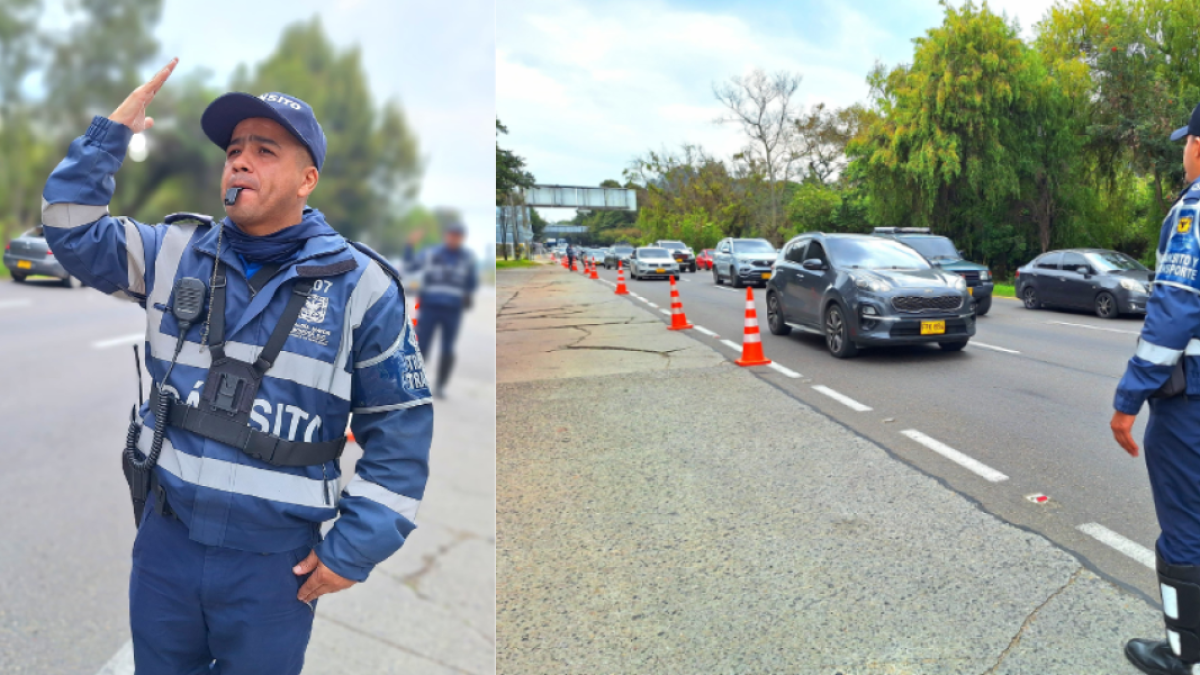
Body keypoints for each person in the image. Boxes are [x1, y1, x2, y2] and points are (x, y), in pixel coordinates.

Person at [41, 59, 433, 674]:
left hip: (275, 569)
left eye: (264, 150)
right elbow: (69, 227)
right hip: (166, 549)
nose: (240, 161)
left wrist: (352, 550)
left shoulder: (363, 288)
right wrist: (109, 136)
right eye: (234, 149)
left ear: (308, 180)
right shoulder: (172, 252)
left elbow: (401, 428)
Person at [1113, 102, 1200, 675]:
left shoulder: (1193, 211)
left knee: (1187, 531)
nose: (1184, 153)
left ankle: (1187, 656)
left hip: (1191, 406)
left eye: (1186, 142)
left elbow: (1173, 311)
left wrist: (1128, 400)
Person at [404, 220, 478, 397]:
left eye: (458, 236)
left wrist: (466, 295)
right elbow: (411, 266)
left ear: (462, 238)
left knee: (448, 348)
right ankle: (414, 383)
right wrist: (409, 246)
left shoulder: (467, 258)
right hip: (430, 307)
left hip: (453, 310)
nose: (454, 238)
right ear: (446, 236)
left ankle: (441, 386)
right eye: (451, 235)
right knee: (422, 346)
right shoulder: (430, 254)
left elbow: (471, 282)